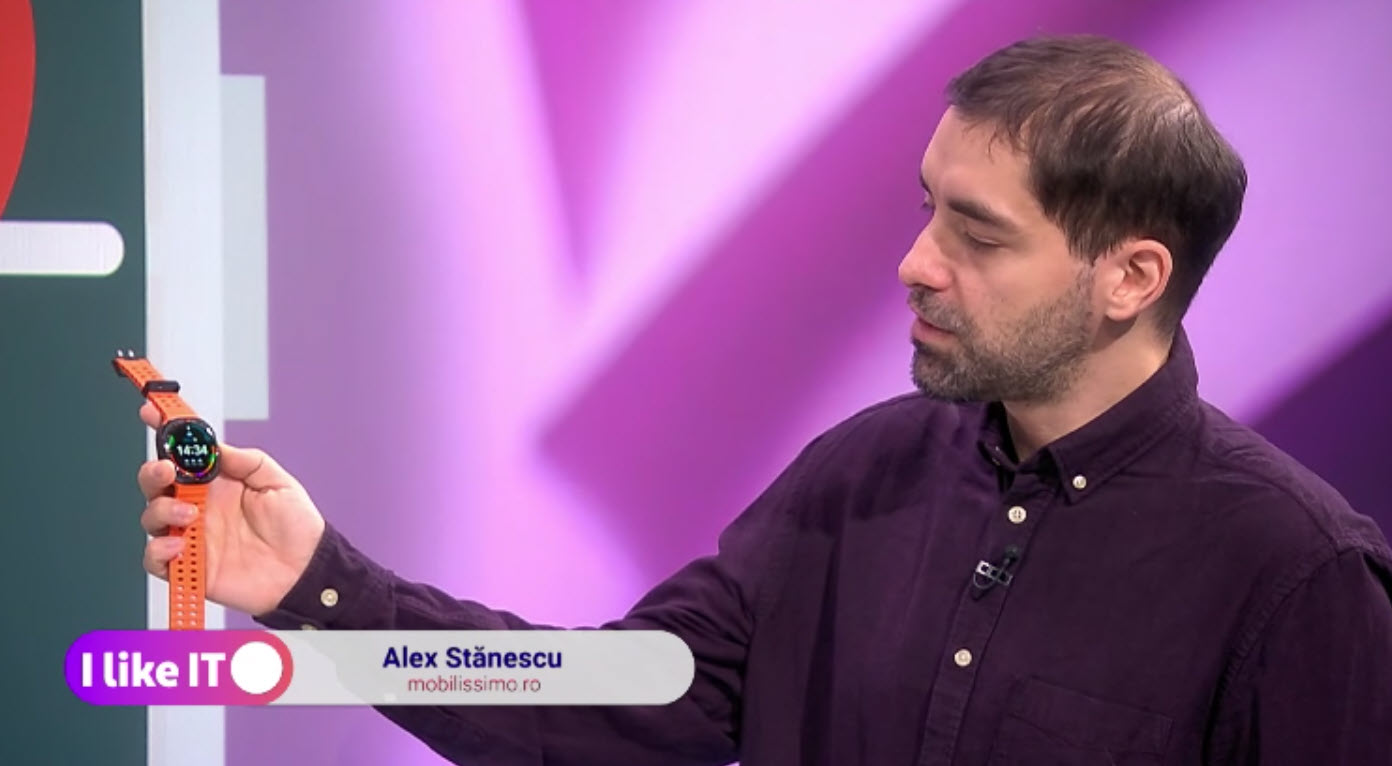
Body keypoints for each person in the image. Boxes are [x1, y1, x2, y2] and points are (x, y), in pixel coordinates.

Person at [135, 35, 1392, 765]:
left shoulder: (1296, 574)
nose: (915, 263)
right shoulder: (861, 475)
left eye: (979, 234)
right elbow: (614, 694)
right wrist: (323, 585)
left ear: (1131, 277)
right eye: (926, 208)